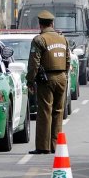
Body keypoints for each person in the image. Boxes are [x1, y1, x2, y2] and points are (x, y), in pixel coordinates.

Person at [26, 10, 70, 154]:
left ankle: (43, 146)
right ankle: (55, 145)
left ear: (40, 24)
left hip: (47, 79)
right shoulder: (63, 39)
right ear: (52, 23)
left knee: (45, 111)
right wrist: (65, 75)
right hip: (62, 77)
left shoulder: (39, 40)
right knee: (58, 111)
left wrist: (30, 80)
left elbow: (34, 63)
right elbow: (68, 60)